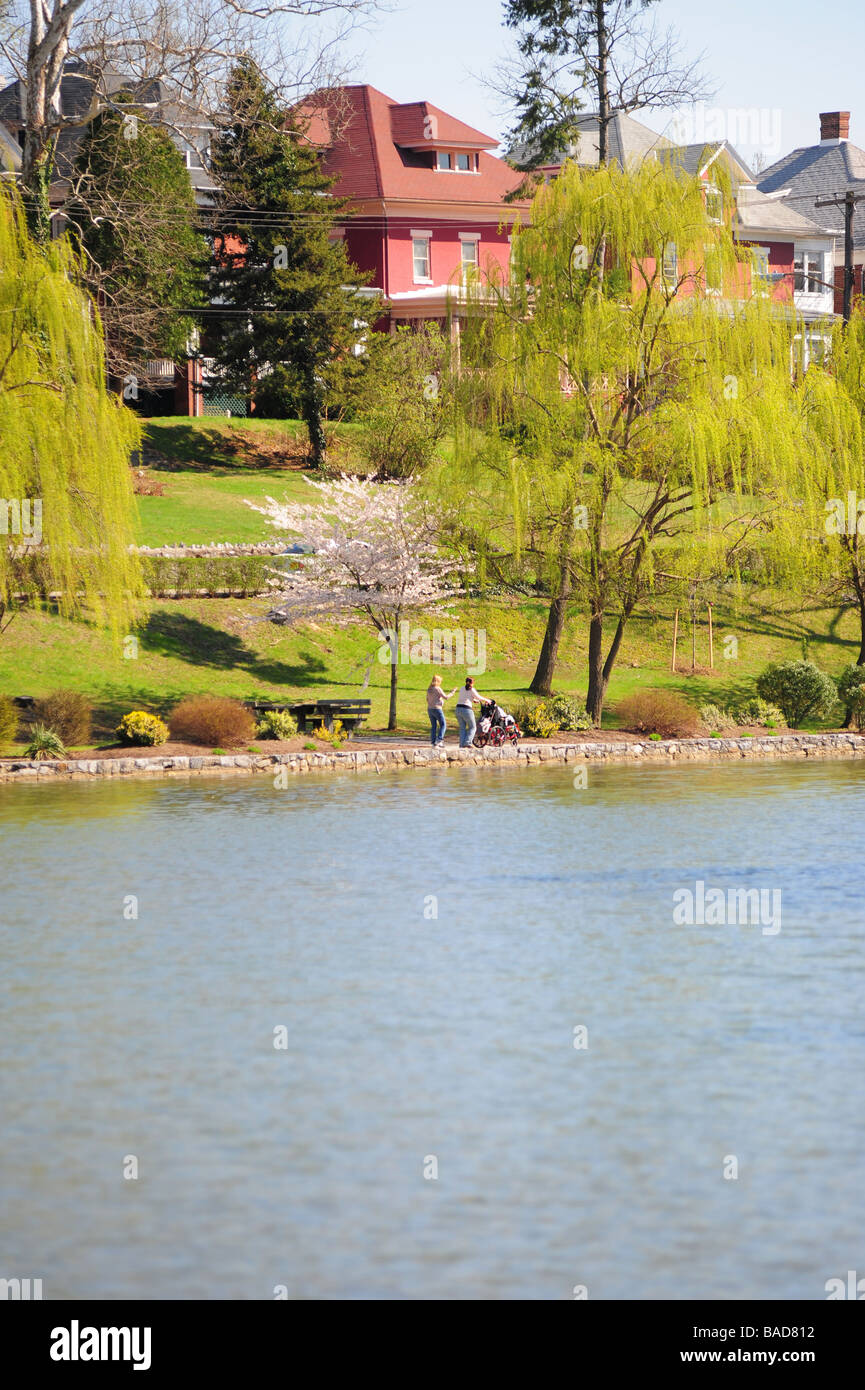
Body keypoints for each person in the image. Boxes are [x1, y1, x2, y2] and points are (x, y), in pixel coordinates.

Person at [454, 676, 485, 748]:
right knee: (473, 727)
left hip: (458, 709)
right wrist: (487, 700)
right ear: (472, 683)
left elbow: (465, 697)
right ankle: (467, 743)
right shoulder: (472, 690)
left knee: (462, 728)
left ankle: (461, 745)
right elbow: (479, 697)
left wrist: (473, 700)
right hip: (466, 710)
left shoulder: (462, 688)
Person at [426, 674, 457, 747]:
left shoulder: (429, 688)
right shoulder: (437, 688)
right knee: (443, 725)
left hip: (430, 709)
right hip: (437, 709)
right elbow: (446, 697)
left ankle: (433, 742)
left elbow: (427, 699)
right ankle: (439, 740)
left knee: (433, 726)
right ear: (438, 681)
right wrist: (453, 692)